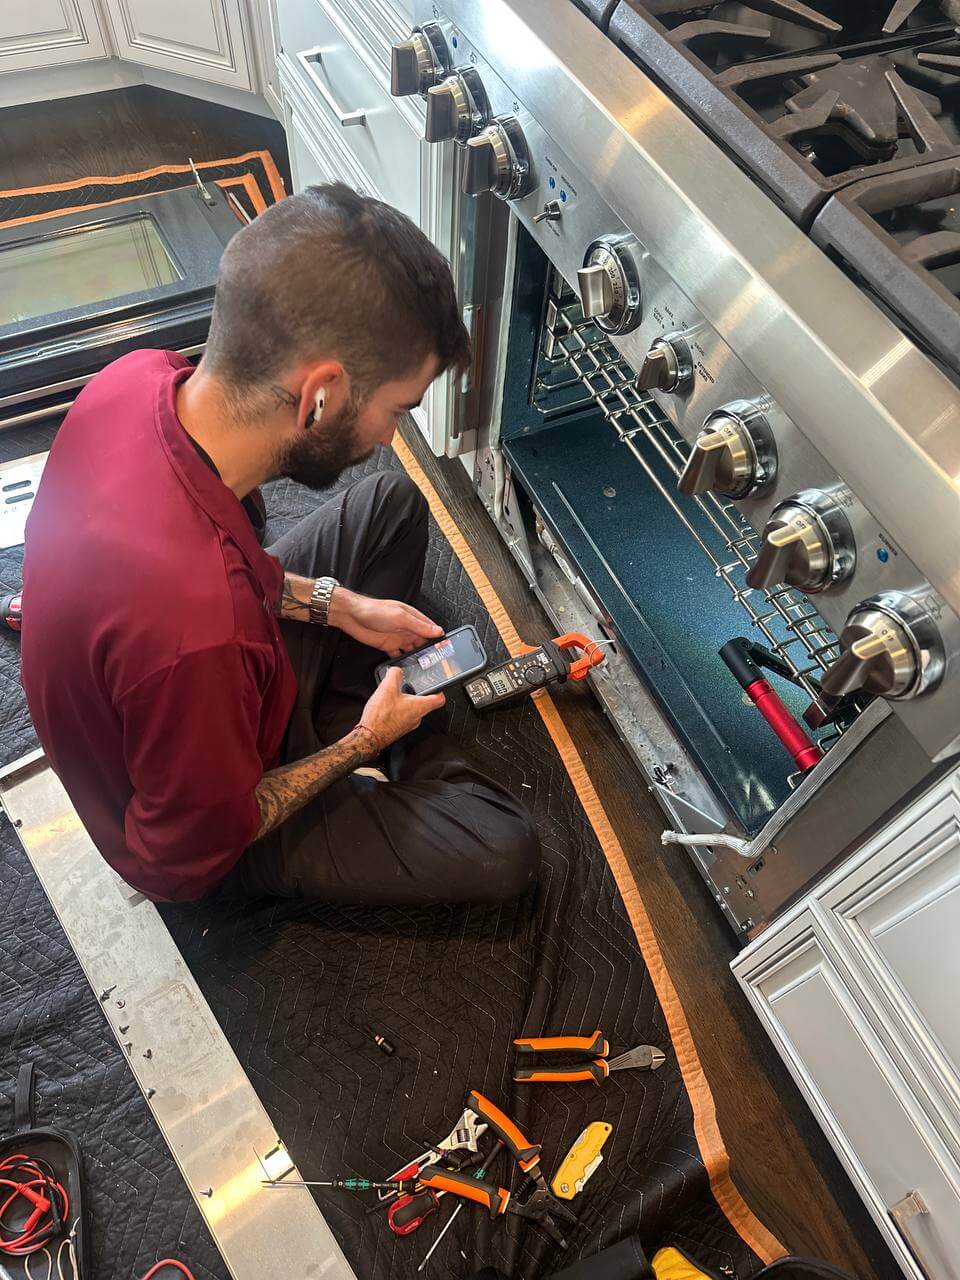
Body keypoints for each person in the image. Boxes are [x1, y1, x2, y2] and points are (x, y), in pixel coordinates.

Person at [20, 183, 540, 906]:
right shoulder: (200, 632)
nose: (393, 437)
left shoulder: (133, 380)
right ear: (320, 394)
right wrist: (362, 743)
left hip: (191, 669)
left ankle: (345, 711)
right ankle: (379, 734)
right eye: (396, 409)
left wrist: (340, 606)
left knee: (391, 503)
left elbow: (221, 563)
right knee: (501, 850)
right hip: (200, 822)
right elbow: (187, 858)